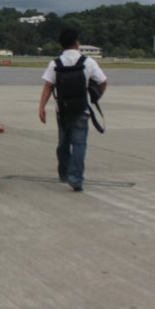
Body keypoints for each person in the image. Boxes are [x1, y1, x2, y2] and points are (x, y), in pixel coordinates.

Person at [39, 28, 107, 192]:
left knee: (63, 144)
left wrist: (41, 107)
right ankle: (76, 179)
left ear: (61, 44)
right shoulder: (88, 62)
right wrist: (95, 98)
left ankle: (64, 174)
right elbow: (103, 81)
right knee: (79, 144)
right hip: (82, 110)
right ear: (77, 43)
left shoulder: (55, 64)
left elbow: (48, 86)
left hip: (63, 111)